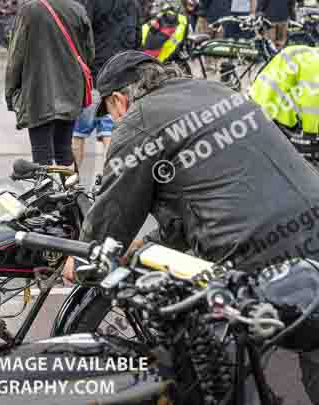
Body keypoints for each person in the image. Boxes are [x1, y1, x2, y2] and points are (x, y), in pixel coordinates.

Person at [62, 50, 319, 403]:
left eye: (110, 113)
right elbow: (203, 196)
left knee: (213, 369)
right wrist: (149, 245)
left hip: (255, 251)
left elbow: (114, 210)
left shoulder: (140, 120)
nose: (113, 121)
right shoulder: (216, 92)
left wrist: (82, 257)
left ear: (119, 100)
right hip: (308, 224)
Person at [5, 0, 94, 167]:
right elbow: (89, 54)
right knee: (64, 152)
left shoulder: (30, 10)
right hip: (71, 91)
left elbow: (15, 57)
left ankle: (45, 198)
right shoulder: (78, 9)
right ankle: (71, 197)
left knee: (41, 155)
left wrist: (11, 93)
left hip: (38, 93)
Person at [67, 0, 138, 175]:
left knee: (78, 132)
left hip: (94, 75)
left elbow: (77, 32)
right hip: (123, 74)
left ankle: (71, 187)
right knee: (111, 130)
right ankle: (113, 183)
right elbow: (137, 33)